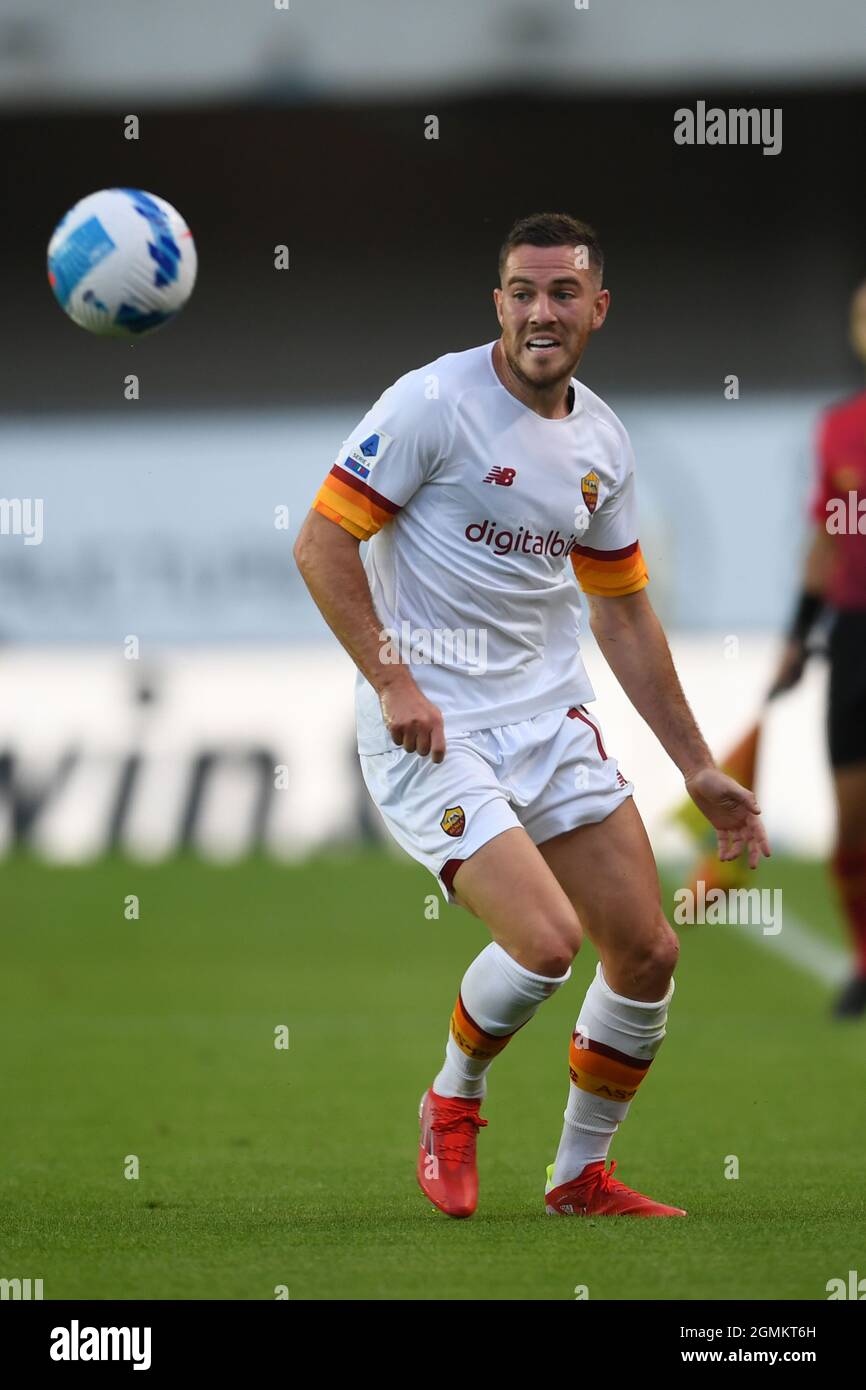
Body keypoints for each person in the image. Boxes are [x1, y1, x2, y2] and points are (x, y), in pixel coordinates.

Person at [294, 211, 769, 1220]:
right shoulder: (432, 402)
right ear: (496, 303)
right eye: (521, 290)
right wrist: (392, 682)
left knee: (645, 953)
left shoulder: (601, 441)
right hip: (432, 724)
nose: (539, 310)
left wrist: (693, 765)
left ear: (597, 308)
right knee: (548, 942)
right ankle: (451, 1098)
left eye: (562, 292)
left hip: (549, 720)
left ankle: (574, 1176)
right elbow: (320, 545)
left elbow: (622, 610)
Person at [772, 280, 866, 1019]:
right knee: (853, 819)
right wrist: (797, 639)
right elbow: (829, 536)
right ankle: (865, 960)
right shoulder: (838, 428)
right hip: (854, 638)